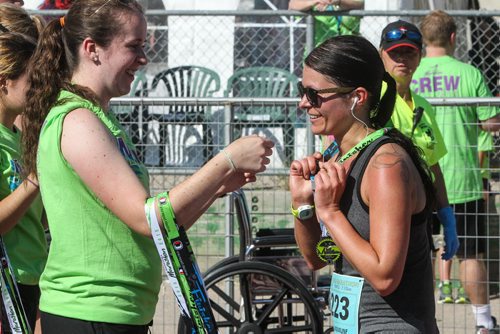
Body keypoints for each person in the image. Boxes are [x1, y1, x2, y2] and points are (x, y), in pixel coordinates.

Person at [20, 0, 274, 332]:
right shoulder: (78, 119)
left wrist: (216, 187)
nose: (143, 58)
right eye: (133, 46)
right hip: (92, 312)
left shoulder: (98, 117)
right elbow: (144, 218)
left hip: (114, 312)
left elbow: (156, 229)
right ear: (92, 49)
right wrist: (224, 161)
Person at [290, 34, 439, 333]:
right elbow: (319, 258)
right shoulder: (336, 155)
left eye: (314, 94)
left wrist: (331, 212)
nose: (303, 103)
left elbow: (385, 277)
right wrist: (302, 205)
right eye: (301, 90)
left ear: (357, 96)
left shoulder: (387, 165)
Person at [411, 10, 500, 333]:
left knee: (414, 251)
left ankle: (416, 320)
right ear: (453, 38)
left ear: (423, 40)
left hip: (417, 177)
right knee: (471, 254)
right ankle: (483, 322)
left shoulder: (409, 72)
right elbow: (491, 122)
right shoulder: (469, 73)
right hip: (461, 178)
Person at [378, 19, 460, 303]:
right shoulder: (373, 100)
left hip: (419, 220)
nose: (402, 59)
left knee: (419, 303)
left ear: (420, 56)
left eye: (409, 52)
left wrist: (447, 215)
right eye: (395, 52)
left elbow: (433, 164)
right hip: (381, 218)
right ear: (381, 55)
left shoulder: (422, 104)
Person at [0, 5, 47, 334]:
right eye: (32, 81)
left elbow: (37, 221)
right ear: (4, 83)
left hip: (32, 279)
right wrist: (34, 180)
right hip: (6, 282)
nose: (39, 90)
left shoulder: (19, 139)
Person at [288, 0, 364, 53]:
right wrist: (315, 1)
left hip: (349, 48)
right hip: (320, 51)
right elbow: (293, 4)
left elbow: (360, 4)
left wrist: (339, 1)